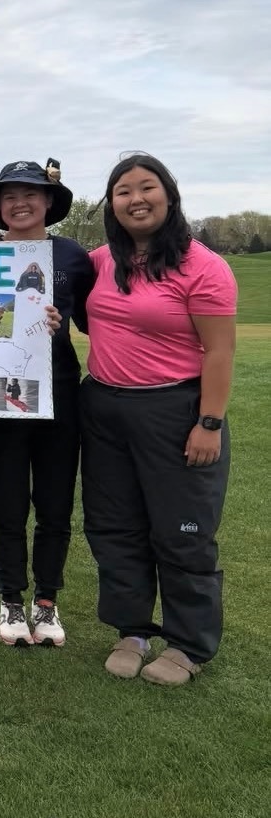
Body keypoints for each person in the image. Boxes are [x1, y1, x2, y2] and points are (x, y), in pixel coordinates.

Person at [81, 154, 236, 686]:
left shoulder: (202, 265)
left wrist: (209, 423)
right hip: (104, 407)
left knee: (182, 529)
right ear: (112, 204)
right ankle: (131, 630)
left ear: (169, 195)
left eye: (147, 187)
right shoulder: (102, 260)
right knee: (115, 524)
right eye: (123, 191)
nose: (136, 199)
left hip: (174, 409)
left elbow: (220, 352)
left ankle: (188, 644)